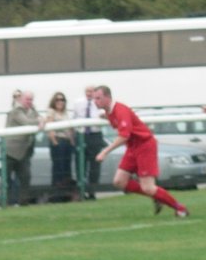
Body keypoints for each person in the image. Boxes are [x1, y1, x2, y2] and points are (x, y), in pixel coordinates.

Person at [93, 86, 189, 217]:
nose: (95, 101)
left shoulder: (120, 110)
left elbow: (124, 136)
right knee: (119, 182)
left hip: (145, 146)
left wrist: (105, 151)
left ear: (108, 98)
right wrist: (106, 116)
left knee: (148, 187)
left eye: (98, 98)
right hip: (133, 147)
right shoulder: (109, 111)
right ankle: (156, 196)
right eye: (94, 98)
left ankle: (180, 208)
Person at [5, 91, 45, 206]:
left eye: (31, 99)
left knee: (25, 177)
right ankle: (6, 203)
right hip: (11, 151)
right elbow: (26, 122)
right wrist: (40, 121)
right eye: (27, 99)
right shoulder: (15, 111)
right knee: (7, 179)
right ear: (21, 99)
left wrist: (41, 119)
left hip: (24, 151)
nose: (29, 102)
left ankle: (24, 202)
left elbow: (40, 117)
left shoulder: (32, 110)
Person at [73, 85, 106, 199]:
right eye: (87, 91)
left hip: (95, 136)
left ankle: (92, 191)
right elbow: (75, 118)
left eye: (91, 91)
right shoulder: (78, 103)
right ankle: (82, 191)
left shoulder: (100, 104)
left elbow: (103, 116)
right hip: (82, 135)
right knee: (80, 165)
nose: (89, 93)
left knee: (95, 165)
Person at [46, 92, 76, 202]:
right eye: (58, 100)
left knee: (66, 169)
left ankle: (66, 194)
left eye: (62, 100)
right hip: (58, 142)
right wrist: (55, 142)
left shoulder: (65, 113)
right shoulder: (51, 112)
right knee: (58, 168)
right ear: (54, 101)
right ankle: (56, 195)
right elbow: (50, 128)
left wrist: (72, 142)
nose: (60, 102)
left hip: (67, 142)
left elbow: (70, 129)